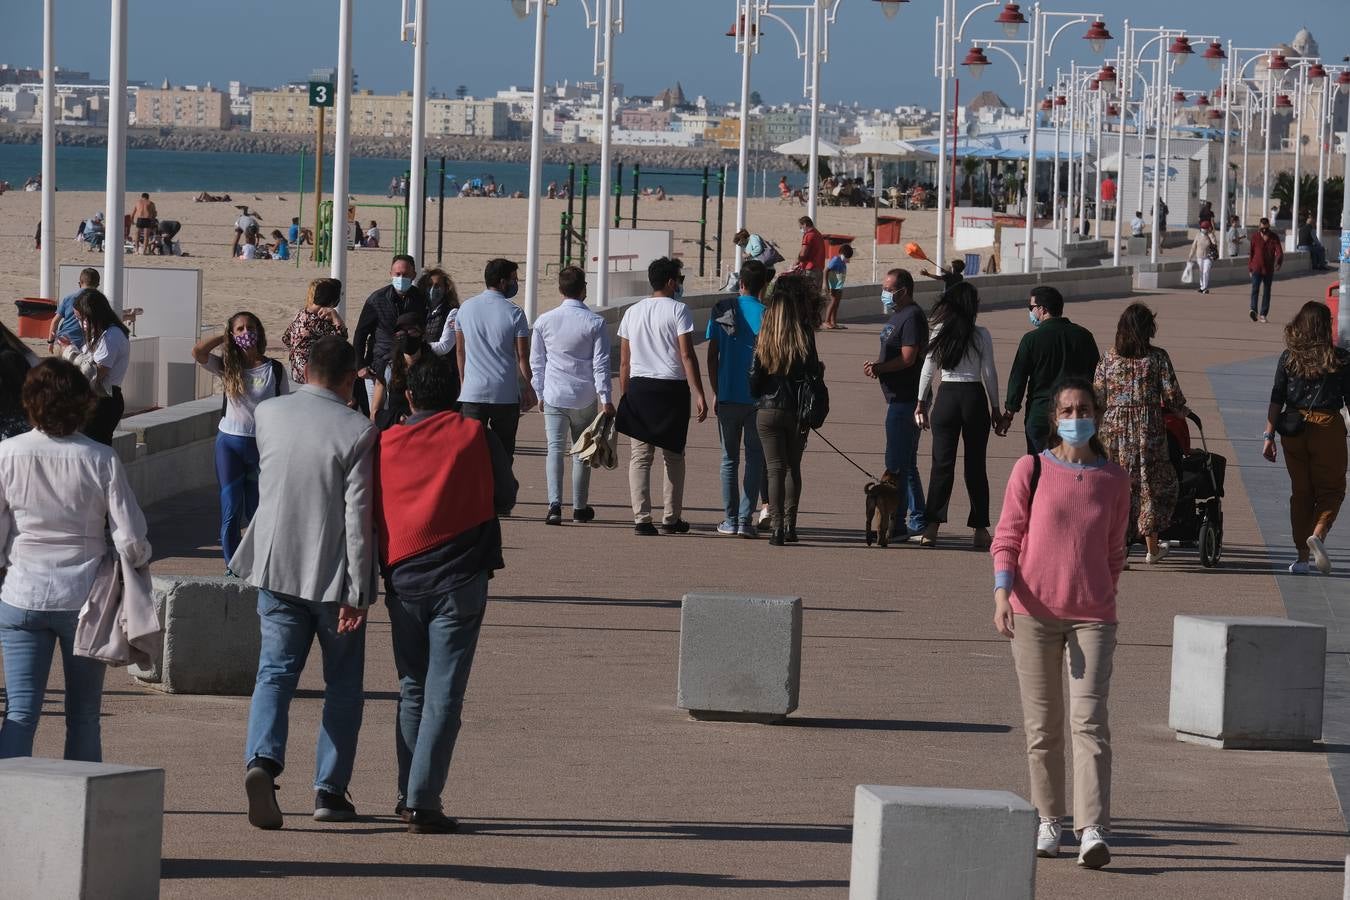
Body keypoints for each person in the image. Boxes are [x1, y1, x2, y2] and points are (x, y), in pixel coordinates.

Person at [232, 336, 377, 830]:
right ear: (350, 376)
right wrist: (361, 590)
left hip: (275, 565)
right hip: (333, 575)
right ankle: (329, 790)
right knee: (342, 686)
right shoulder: (358, 429)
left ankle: (262, 762)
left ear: (306, 368)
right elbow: (357, 518)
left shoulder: (269, 414)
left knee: (274, 674)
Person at [990, 377, 1130, 869]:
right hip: (1032, 613)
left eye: (1084, 408)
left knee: (1089, 723)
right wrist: (1002, 593)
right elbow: (1007, 535)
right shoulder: (1030, 469)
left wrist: (1102, 592)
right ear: (1054, 418)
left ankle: (1091, 829)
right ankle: (1049, 818)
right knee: (1042, 726)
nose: (1075, 416)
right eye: (1067, 409)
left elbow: (1115, 550)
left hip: (1093, 617)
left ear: (1097, 414)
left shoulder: (1114, 478)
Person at [377, 348, 516, 833]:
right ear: (455, 395)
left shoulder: (386, 442)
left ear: (408, 396)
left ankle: (406, 792)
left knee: (412, 688)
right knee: (444, 695)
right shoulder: (476, 435)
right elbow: (507, 495)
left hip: (402, 580)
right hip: (460, 579)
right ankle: (423, 800)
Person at [0, 359, 151, 762]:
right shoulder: (100, 458)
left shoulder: (7, 453)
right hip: (86, 601)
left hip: (21, 592)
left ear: (31, 402)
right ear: (83, 403)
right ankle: (82, 813)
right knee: (83, 715)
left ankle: (9, 804)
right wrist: (136, 562)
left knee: (19, 712)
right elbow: (132, 538)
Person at [615, 257, 708, 536]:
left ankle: (642, 518)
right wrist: (699, 392)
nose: (679, 284)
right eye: (678, 279)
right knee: (674, 456)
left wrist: (625, 393)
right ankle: (671, 517)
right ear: (670, 282)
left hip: (640, 387)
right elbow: (686, 355)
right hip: (671, 388)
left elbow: (624, 361)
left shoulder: (632, 312)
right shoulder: (679, 310)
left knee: (640, 457)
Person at [1093, 303, 1188, 564]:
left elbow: (1098, 396)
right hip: (1148, 428)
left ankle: (1119, 551)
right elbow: (1172, 396)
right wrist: (1182, 411)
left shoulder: (1108, 357)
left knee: (1117, 485)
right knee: (1150, 483)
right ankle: (1152, 549)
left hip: (1114, 428)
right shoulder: (1157, 358)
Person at [193, 313, 290, 568]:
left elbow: (283, 410)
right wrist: (224, 336)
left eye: (250, 327)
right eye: (240, 329)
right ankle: (232, 566)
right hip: (230, 445)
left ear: (259, 331)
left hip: (261, 447)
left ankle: (258, 563)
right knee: (231, 509)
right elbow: (198, 352)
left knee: (257, 511)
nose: (246, 332)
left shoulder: (275, 370)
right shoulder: (228, 366)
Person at [1262, 301, 1350, 575]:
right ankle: (1318, 534)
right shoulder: (1341, 358)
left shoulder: (1288, 358)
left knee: (1301, 493)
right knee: (1332, 489)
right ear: (1325, 327)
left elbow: (1277, 397)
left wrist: (1268, 435)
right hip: (1327, 428)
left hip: (1293, 430)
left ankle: (1302, 558)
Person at [915, 282, 1001, 549]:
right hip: (974, 398)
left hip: (947, 398)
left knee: (942, 464)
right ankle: (980, 529)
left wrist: (920, 402)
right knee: (976, 465)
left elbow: (928, 369)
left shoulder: (940, 331)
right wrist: (996, 408)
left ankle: (932, 527)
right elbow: (989, 373)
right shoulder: (981, 334)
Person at [531, 266, 612, 525]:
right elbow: (601, 364)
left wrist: (539, 392)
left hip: (555, 392)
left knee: (554, 449)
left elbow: (537, 362)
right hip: (585, 394)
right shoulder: (595, 322)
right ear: (584, 289)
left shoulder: (544, 320)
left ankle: (554, 505)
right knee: (583, 450)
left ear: (560, 289)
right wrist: (605, 397)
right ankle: (579, 506)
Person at [750, 274, 821, 546]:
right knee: (793, 467)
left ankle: (777, 526)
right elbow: (814, 372)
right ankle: (791, 524)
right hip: (795, 409)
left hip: (767, 409)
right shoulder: (803, 334)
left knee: (774, 469)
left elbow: (754, 376)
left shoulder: (764, 336)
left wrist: (758, 394)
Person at [863, 269, 928, 542]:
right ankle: (914, 518)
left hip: (906, 398)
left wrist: (882, 367)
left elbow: (908, 358)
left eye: (889, 288)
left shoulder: (912, 316)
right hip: (897, 397)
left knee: (897, 463)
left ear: (904, 290)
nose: (885, 292)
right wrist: (878, 367)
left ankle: (901, 522)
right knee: (905, 462)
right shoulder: (898, 315)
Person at [708, 259, 767, 538]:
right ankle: (745, 520)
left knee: (728, 459)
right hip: (758, 397)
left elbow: (712, 354)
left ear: (740, 283)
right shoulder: (768, 315)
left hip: (728, 394)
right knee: (755, 458)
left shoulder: (722, 310)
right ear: (763, 286)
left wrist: (715, 390)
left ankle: (730, 519)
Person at [455, 258, 536, 461]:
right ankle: (501, 491)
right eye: (514, 279)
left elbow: (460, 351)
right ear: (502, 282)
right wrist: (528, 387)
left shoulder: (465, 308)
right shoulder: (515, 313)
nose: (515, 283)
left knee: (471, 454)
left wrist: (463, 381)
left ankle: (476, 492)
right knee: (503, 454)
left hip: (473, 392)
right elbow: (523, 357)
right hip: (505, 394)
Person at [1004, 286, 1101, 454]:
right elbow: (1096, 377)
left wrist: (1009, 413)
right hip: (1074, 416)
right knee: (1071, 468)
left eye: (1031, 307)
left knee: (1040, 470)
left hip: (1040, 415)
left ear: (1042, 309)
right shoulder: (1084, 336)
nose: (1030, 312)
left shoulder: (1031, 340)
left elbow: (1018, 379)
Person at [355, 255, 429, 408]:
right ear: (391, 274)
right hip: (379, 366)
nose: (401, 278)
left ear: (413, 275)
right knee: (377, 413)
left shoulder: (421, 299)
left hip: (410, 368)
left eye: (406, 275)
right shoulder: (377, 299)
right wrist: (360, 365)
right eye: (397, 274)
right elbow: (361, 333)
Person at [69, 289, 130, 446]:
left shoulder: (111, 336)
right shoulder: (101, 334)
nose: (80, 324)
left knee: (93, 449)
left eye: (81, 318)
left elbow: (94, 374)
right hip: (96, 400)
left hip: (104, 401)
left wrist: (69, 353)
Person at [282, 278, 347, 385]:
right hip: (313, 374)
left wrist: (299, 354)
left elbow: (286, 338)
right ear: (332, 301)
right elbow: (340, 341)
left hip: (296, 371)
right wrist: (336, 317)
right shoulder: (318, 321)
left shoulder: (301, 314)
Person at [370, 312, 428, 430]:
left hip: (427, 432)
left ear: (422, 333)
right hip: (398, 433)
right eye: (401, 332)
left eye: (412, 331)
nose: (406, 336)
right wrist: (397, 419)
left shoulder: (435, 368)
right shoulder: (388, 369)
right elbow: (375, 414)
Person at [49, 267, 98, 353]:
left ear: (80, 283)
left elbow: (55, 321)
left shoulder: (69, 298)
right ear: (97, 285)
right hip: (82, 346)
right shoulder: (97, 302)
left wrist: (50, 342)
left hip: (63, 341)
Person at [1248, 217, 1284, 324]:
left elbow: (1279, 252)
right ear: (1259, 227)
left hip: (1268, 269)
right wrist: (1250, 268)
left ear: (1269, 227)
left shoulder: (1274, 237)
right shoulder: (1255, 237)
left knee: (1267, 291)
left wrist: (1278, 263)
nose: (1264, 231)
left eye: (1266, 228)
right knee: (1255, 289)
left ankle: (1263, 314)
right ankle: (1253, 310)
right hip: (1256, 268)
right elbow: (1251, 253)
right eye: (1262, 228)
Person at [420, 268, 461, 353]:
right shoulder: (420, 310)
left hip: (443, 363)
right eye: (429, 285)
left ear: (446, 289)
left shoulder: (453, 312)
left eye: (437, 286)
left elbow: (445, 346)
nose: (432, 289)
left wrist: (418, 349)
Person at [823, 244, 851, 330]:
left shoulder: (843, 262)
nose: (848, 259)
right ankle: (827, 321)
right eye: (847, 257)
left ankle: (833, 322)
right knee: (833, 302)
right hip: (833, 286)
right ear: (842, 254)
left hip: (839, 286)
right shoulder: (835, 259)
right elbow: (826, 270)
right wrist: (826, 284)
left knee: (836, 304)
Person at [1186, 220, 1219, 294]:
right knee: (1201, 271)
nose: (1203, 229)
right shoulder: (1198, 235)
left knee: (1206, 271)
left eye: (1205, 228)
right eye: (1202, 228)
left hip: (1208, 257)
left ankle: (1205, 287)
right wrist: (1190, 257)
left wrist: (1211, 235)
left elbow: (1215, 244)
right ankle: (1202, 287)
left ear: (1208, 228)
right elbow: (1193, 247)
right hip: (1199, 256)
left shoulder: (1210, 235)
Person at [796, 216, 828, 291]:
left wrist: (797, 262)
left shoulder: (808, 235)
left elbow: (803, 253)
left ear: (805, 225)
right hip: (819, 268)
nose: (801, 229)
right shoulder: (818, 234)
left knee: (808, 294)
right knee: (816, 296)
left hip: (810, 270)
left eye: (801, 227)